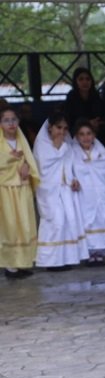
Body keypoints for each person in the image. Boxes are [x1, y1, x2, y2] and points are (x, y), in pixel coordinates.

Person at [33, 113, 89, 270]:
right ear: (50, 127)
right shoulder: (42, 145)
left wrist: (74, 178)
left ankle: (66, 258)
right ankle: (50, 261)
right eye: (58, 127)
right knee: (55, 224)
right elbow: (44, 167)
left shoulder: (67, 143)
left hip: (66, 190)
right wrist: (59, 146)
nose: (62, 131)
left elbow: (71, 164)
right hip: (50, 191)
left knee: (68, 223)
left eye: (65, 128)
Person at [71, 118, 105, 266]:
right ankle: (89, 253)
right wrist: (74, 178)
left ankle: (99, 253)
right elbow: (69, 171)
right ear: (76, 136)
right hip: (84, 195)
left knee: (102, 219)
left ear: (94, 135)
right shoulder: (72, 153)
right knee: (86, 220)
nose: (86, 137)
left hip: (101, 194)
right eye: (81, 134)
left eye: (89, 133)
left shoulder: (101, 152)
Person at [0, 107, 40, 279]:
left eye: (14, 120)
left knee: (24, 224)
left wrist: (26, 166)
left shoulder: (21, 140)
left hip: (22, 188)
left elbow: (30, 160)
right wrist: (13, 160)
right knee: (9, 227)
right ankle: (10, 266)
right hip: (5, 190)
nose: (11, 123)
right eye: (6, 120)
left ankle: (23, 262)